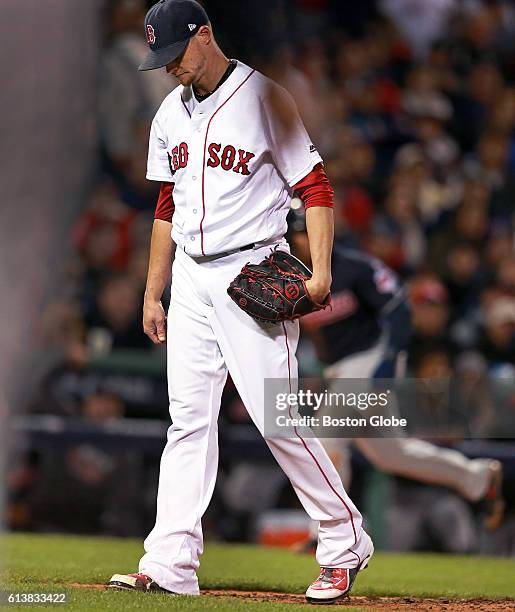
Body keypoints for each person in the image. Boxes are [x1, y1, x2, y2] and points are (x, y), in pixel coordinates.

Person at [108, 0, 373, 604]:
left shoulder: (265, 98)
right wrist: (154, 291)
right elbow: (166, 207)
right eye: (161, 58)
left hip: (252, 271)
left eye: (176, 52)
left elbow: (314, 185)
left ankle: (344, 538)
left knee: (277, 419)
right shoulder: (170, 112)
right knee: (188, 423)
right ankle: (170, 562)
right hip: (190, 280)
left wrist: (322, 272)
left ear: (204, 35)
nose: (170, 67)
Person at [288, 208, 504, 553]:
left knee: (327, 437)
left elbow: (399, 307)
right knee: (391, 454)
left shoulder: (353, 266)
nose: (305, 237)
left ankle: (328, 534)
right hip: (340, 370)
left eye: (309, 229)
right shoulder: (289, 276)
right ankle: (476, 477)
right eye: (299, 232)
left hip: (372, 360)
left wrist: (387, 363)